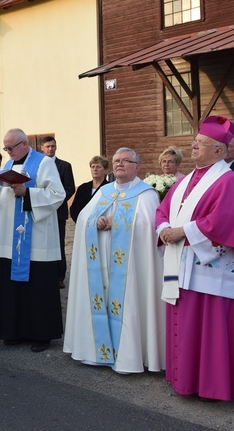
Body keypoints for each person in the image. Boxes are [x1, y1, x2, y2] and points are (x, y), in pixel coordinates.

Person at [156, 115, 234, 401]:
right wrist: (164, 229)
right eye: (194, 142)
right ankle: (184, 380)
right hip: (182, 263)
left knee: (208, 327)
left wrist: (181, 232)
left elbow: (224, 221)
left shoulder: (230, 182)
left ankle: (212, 387)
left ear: (219, 151)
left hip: (208, 268)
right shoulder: (185, 180)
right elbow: (163, 210)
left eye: (200, 143)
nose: (193, 146)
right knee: (185, 326)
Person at [64, 148, 165, 373]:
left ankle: (128, 356)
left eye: (126, 161)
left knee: (128, 303)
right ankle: (95, 352)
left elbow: (148, 226)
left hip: (128, 268)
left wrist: (116, 223)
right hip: (99, 265)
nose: (120, 164)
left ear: (137, 167)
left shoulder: (146, 194)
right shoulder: (104, 191)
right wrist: (96, 221)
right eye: (117, 161)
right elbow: (82, 219)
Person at [0, 128, 65, 351]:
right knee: (12, 287)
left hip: (36, 241)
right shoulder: (6, 165)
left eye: (10, 148)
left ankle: (41, 334)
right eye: (5, 148)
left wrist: (27, 193)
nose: (8, 152)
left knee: (38, 289)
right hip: (9, 239)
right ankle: (13, 330)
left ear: (24, 144)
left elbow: (57, 195)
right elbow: (0, 191)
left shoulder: (44, 163)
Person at [40, 136, 75, 289]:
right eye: (47, 146)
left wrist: (55, 201)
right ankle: (44, 273)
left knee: (58, 243)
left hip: (58, 210)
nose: (50, 149)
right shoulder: (38, 165)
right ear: (42, 147)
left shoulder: (64, 166)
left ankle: (59, 276)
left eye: (53, 146)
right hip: (41, 210)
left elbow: (69, 188)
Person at [69, 156, 110, 223]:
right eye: (92, 167)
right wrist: (81, 222)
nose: (95, 169)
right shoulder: (82, 188)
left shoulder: (109, 188)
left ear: (105, 170)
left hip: (102, 225)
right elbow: (74, 208)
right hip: (82, 224)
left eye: (98, 167)